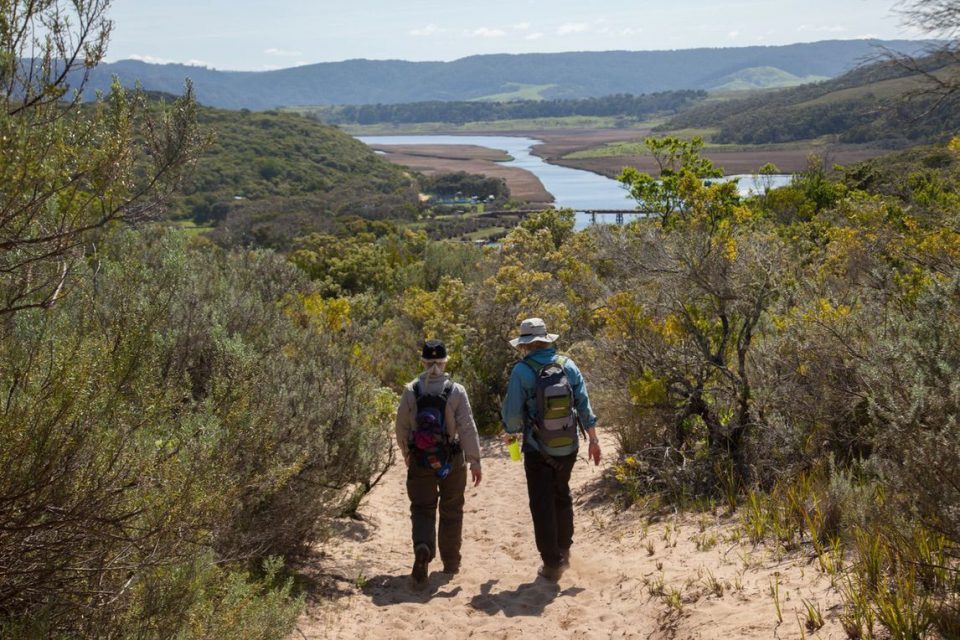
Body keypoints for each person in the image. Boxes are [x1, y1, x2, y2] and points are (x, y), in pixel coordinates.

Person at [501, 317, 600, 582]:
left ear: (525, 345)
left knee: (541, 503)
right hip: (568, 447)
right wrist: (593, 439)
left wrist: (511, 433)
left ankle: (552, 563)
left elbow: (512, 417)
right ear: (546, 340)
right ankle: (565, 550)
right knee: (561, 494)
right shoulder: (568, 365)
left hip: (537, 448)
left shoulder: (521, 372)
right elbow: (583, 405)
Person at [395, 339, 482, 586]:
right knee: (452, 510)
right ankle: (451, 562)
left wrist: (407, 453)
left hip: (420, 460)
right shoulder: (456, 390)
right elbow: (467, 427)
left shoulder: (411, 390)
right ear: (444, 362)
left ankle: (423, 547)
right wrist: (474, 460)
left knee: (422, 508)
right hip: (451, 460)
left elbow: (401, 426)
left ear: (422, 361)